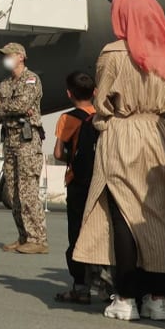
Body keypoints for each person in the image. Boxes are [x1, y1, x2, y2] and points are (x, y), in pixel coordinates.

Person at [74, 0, 165, 323]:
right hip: (158, 136)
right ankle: (158, 298)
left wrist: (105, 121)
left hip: (122, 132)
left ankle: (126, 297)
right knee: (158, 218)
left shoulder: (113, 52)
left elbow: (103, 102)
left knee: (123, 217)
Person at [0, 43, 47, 254]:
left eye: (9, 55)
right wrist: (2, 110)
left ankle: (38, 238)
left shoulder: (31, 79)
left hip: (27, 141)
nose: (6, 59)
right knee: (12, 191)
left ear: (21, 56)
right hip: (10, 141)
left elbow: (21, 105)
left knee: (28, 190)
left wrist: (2, 109)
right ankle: (24, 236)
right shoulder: (5, 83)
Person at [53, 71, 97, 304]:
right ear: (95, 92)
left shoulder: (67, 119)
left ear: (69, 94)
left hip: (77, 182)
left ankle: (80, 286)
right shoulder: (102, 116)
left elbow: (58, 153)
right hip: (101, 182)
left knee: (77, 232)